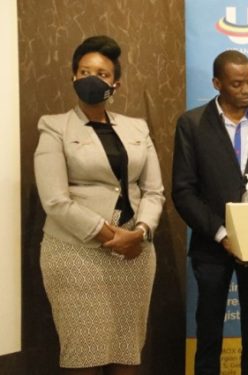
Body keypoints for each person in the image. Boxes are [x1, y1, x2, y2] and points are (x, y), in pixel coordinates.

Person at [34, 35, 165, 375]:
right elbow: (55, 200)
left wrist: (138, 233)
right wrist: (111, 236)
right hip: (75, 253)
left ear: (115, 83)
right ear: (73, 77)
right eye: (84, 71)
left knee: (127, 351)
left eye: (103, 73)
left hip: (135, 255)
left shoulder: (138, 128)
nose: (93, 78)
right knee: (84, 352)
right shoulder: (53, 126)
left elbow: (154, 192)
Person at [172, 50, 248, 375]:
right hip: (212, 247)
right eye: (237, 83)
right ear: (216, 83)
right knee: (208, 333)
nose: (246, 89)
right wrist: (224, 235)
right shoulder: (192, 124)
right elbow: (183, 191)